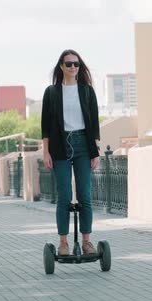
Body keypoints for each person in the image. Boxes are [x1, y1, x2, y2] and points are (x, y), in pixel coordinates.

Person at [41, 49, 101, 256]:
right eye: (69, 64)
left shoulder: (86, 91)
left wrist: (96, 152)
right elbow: (45, 126)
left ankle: (86, 242)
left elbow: (94, 123)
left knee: (85, 195)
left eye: (76, 64)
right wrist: (45, 152)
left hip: (84, 144)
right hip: (60, 146)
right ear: (61, 67)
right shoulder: (51, 92)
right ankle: (63, 243)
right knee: (64, 195)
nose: (73, 67)